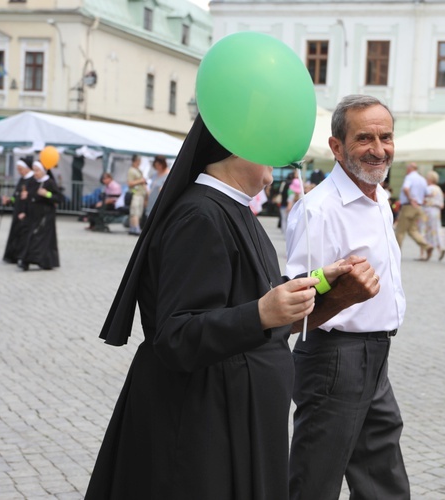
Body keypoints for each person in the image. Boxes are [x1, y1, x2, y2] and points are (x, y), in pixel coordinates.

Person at [86, 116, 359, 499]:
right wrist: (262, 314)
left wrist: (321, 282)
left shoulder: (230, 208)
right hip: (204, 425)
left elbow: (247, 295)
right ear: (237, 147)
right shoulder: (200, 215)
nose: (277, 162)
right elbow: (175, 335)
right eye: (269, 145)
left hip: (232, 416)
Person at [286, 95, 410, 500]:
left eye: (386, 137)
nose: (379, 149)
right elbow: (295, 306)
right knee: (315, 481)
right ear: (336, 147)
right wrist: (342, 296)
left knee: (383, 481)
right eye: (365, 138)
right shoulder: (319, 210)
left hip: (375, 355)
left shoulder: (380, 199)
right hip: (332, 357)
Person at [19, 161, 60, 271]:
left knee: (37, 238)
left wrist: (47, 194)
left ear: (43, 171)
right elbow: (30, 197)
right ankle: (37, 260)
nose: (35, 173)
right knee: (32, 237)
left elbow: (59, 198)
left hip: (45, 216)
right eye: (34, 170)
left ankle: (28, 260)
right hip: (33, 215)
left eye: (37, 170)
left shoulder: (49, 183)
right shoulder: (32, 182)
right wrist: (24, 206)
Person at [1, 158, 37, 263]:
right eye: (18, 169)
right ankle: (13, 255)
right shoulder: (22, 179)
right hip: (17, 210)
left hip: (26, 211)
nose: (19, 171)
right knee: (15, 233)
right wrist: (9, 200)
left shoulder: (33, 180)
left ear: (27, 168)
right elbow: (15, 196)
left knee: (24, 234)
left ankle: (23, 256)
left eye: (20, 169)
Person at [395, 162, 432, 256]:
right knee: (412, 230)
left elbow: (406, 189)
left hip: (409, 206)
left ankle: (396, 253)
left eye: (407, 168)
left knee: (400, 231)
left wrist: (411, 198)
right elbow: (427, 193)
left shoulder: (410, 177)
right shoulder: (422, 179)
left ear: (410, 168)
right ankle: (427, 246)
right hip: (418, 207)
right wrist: (420, 199)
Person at [421, 170, 445, 261]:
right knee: (437, 229)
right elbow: (442, 204)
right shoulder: (439, 189)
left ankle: (426, 252)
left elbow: (423, 199)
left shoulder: (429, 188)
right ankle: (441, 247)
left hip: (428, 211)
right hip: (437, 211)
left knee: (426, 231)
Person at [126, 154, 146, 235]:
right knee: (135, 212)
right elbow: (130, 183)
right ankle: (136, 228)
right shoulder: (131, 171)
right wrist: (140, 181)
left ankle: (133, 228)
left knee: (138, 212)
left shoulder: (138, 170)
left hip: (141, 194)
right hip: (135, 194)